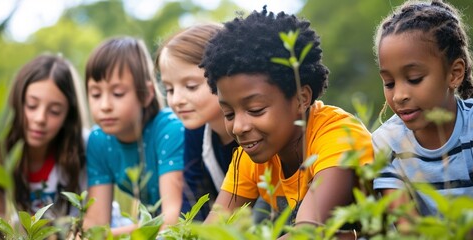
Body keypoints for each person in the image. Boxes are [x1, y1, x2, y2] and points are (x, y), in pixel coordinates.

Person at [199, 7, 374, 236]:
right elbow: (213, 231)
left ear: (302, 98)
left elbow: (307, 232)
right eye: (229, 114)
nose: (239, 127)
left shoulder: (339, 136)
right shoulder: (251, 155)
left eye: (255, 109)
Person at [371, 0, 473, 230]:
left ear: (454, 74)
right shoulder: (386, 143)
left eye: (414, 79)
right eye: (389, 83)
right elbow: (408, 231)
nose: (399, 95)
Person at [0, 54, 87, 239]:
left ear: (68, 115)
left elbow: (93, 220)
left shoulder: (82, 147)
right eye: (31, 105)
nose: (40, 119)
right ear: (17, 102)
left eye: (54, 111)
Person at [82, 36, 184, 235]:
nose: (104, 106)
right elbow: (95, 221)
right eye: (95, 94)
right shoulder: (99, 140)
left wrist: (107, 237)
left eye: (118, 93)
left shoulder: (169, 130)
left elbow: (173, 219)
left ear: (146, 94)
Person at [155, 23, 239, 221]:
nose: (176, 100)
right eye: (169, 89)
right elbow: (193, 201)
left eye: (191, 87)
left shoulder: (252, 132)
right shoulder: (196, 133)